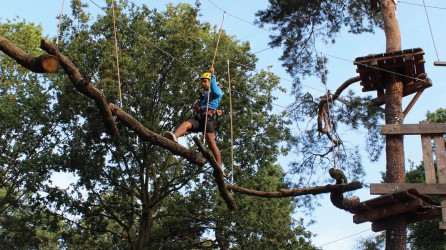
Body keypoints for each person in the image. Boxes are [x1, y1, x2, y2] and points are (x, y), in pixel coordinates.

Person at [164, 67, 224, 172]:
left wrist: (212, 76)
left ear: (210, 82)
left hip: (207, 119)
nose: (203, 84)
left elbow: (217, 93)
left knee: (211, 142)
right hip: (199, 118)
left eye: (205, 81)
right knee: (186, 124)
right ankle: (174, 137)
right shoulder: (206, 95)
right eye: (202, 82)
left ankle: (219, 166)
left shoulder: (216, 91)